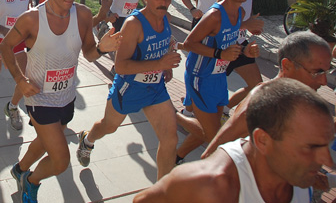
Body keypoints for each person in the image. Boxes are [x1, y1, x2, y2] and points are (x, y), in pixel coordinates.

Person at [0, 0, 122, 203]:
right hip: (39, 97)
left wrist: (101, 48)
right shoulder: (32, 19)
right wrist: (20, 80)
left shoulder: (84, 14)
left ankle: (20, 169)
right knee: (60, 160)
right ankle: (31, 182)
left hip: (66, 97)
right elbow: (4, 46)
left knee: (45, 142)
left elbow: (88, 53)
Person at [133, 78, 332, 203]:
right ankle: (177, 116)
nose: (326, 160)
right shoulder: (207, 187)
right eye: (310, 147)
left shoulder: (299, 179)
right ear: (263, 141)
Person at [78, 0, 181, 180]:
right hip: (129, 89)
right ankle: (87, 140)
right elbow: (121, 67)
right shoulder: (134, 24)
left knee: (170, 140)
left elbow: (162, 46)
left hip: (155, 89)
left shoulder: (166, 18)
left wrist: (166, 65)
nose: (164, 2)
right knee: (109, 126)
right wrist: (160, 63)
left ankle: (164, 192)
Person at [201, 31, 332, 159]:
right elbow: (210, 156)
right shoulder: (261, 103)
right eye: (317, 72)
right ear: (287, 66)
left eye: (327, 72)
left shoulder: (300, 100)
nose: (324, 81)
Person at [175, 0, 260, 163]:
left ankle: (176, 156)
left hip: (218, 77)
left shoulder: (238, 13)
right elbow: (189, 43)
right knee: (215, 138)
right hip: (200, 77)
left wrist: (246, 51)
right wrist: (220, 53)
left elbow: (229, 41)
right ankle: (173, 116)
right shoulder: (214, 15)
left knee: (210, 129)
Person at [222, 0, 264, 111]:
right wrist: (247, 24)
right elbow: (221, 24)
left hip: (240, 44)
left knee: (257, 85)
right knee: (206, 85)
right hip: (224, 46)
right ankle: (188, 110)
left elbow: (242, 17)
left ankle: (223, 110)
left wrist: (252, 24)